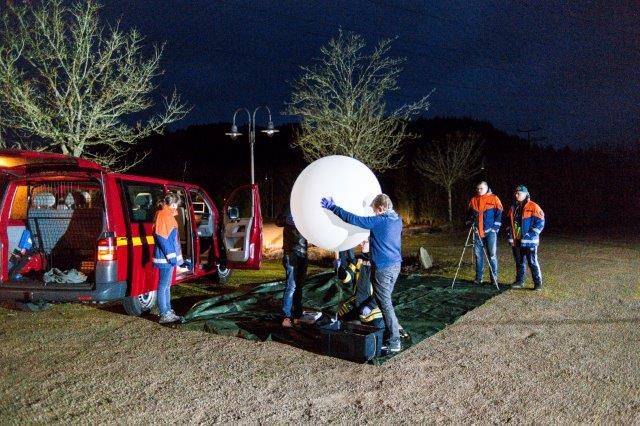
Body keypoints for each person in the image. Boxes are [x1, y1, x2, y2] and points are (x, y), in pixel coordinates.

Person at [321, 193, 403, 353]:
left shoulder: (380, 220)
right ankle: (393, 331)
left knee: (385, 304)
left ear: (380, 208)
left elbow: (354, 219)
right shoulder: (398, 220)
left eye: (374, 210)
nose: (373, 214)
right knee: (384, 303)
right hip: (395, 266)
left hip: (384, 269)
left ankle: (395, 341)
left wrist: (332, 207)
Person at [505, 185, 545, 290]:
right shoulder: (513, 207)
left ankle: (538, 283)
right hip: (517, 240)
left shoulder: (534, 206)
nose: (517, 195)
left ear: (526, 194)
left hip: (529, 241)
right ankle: (520, 281)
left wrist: (531, 235)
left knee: (532, 262)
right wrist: (509, 232)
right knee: (519, 262)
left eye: (520, 193)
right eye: (516, 193)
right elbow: (509, 222)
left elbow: (540, 222)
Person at [152, 192, 184, 324]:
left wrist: (177, 258)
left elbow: (169, 240)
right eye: (177, 204)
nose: (177, 207)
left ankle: (168, 311)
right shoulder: (164, 215)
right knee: (163, 286)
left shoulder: (166, 215)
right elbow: (162, 238)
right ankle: (164, 313)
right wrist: (172, 257)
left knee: (166, 286)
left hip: (167, 258)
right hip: (165, 258)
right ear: (173, 203)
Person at [276, 206, 308, 327]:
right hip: (291, 253)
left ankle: (297, 315)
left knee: (299, 285)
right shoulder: (290, 208)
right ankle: (286, 316)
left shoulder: (306, 209)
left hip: (303, 253)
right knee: (292, 285)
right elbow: (278, 221)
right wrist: (288, 220)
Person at [467, 181, 503, 285]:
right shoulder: (473, 200)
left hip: (490, 232)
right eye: (477, 189)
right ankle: (479, 278)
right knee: (478, 255)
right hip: (477, 232)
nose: (479, 190)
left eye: (481, 188)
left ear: (487, 188)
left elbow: (499, 213)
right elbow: (469, 213)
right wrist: (470, 222)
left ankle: (494, 278)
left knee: (492, 255)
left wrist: (495, 228)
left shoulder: (494, 198)